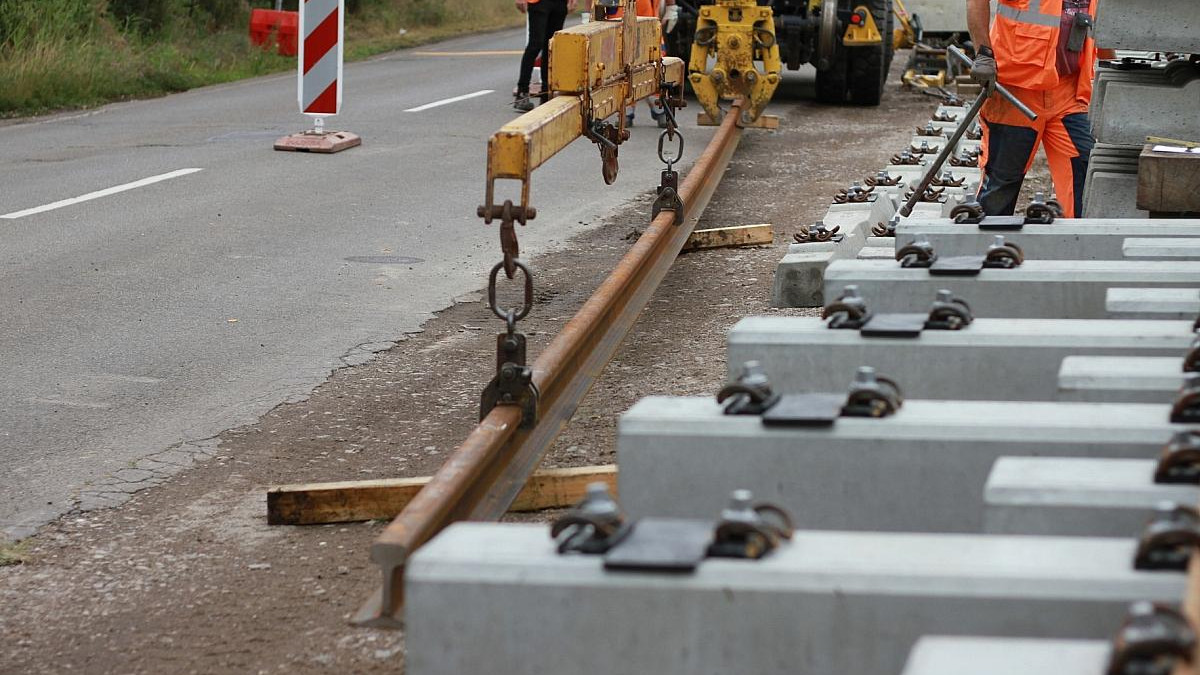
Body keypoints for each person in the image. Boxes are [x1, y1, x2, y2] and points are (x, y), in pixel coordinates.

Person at [966, 0, 1103, 218]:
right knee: (1002, 182)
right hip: (1018, 89)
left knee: (1084, 172)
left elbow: (1101, 17)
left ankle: (1076, 245)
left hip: (1069, 91)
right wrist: (983, 52)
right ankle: (991, 247)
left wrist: (1111, 66)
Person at [514, 0, 576, 112]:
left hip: (559, 4)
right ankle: (522, 92)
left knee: (551, 45)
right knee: (535, 44)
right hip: (538, 3)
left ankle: (546, 93)